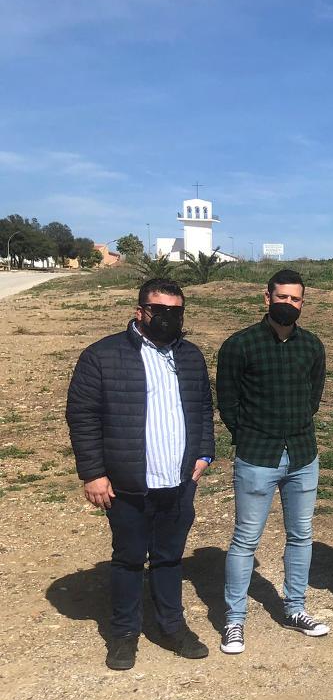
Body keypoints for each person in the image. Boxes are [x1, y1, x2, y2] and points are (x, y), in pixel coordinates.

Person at [66, 278, 214, 670]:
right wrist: (93, 473)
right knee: (129, 559)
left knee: (169, 559)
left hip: (179, 481)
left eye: (175, 312)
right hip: (129, 482)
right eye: (159, 311)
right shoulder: (102, 356)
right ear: (140, 312)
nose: (167, 319)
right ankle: (124, 633)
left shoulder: (190, 356)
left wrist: (204, 454)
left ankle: (172, 627)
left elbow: (201, 407)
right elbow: (83, 417)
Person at [217, 269, 328, 654]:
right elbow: (228, 403)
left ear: (302, 303)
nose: (288, 305)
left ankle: (295, 608)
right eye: (282, 297)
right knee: (246, 540)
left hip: (302, 455)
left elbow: (313, 398)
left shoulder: (312, 346)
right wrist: (248, 436)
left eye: (295, 299)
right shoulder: (240, 346)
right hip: (257, 457)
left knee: (300, 536)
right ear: (267, 298)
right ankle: (234, 620)